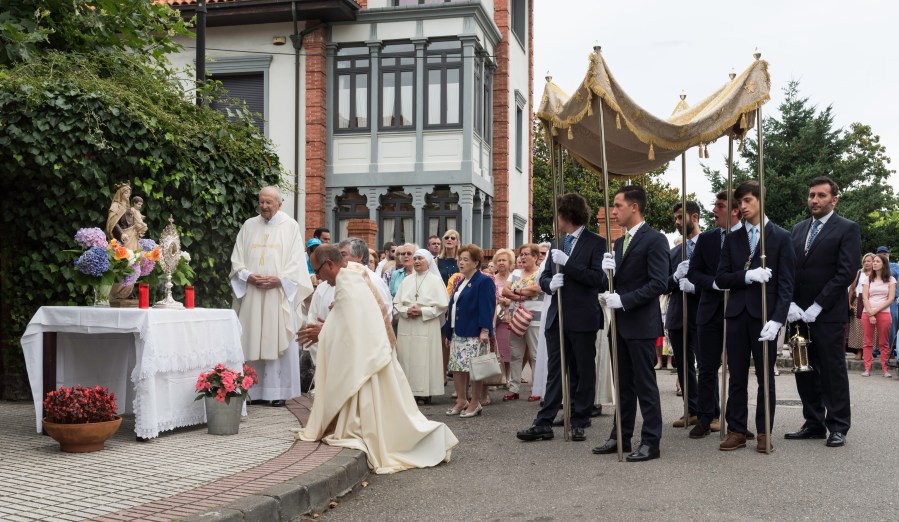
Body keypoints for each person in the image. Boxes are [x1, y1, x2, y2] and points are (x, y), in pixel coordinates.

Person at [298, 246, 458, 474]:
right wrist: (327, 328)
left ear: (329, 265)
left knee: (372, 410)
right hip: (372, 349)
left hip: (368, 356)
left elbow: (349, 328)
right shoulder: (352, 272)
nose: (318, 277)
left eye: (317, 271)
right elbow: (349, 321)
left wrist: (322, 333)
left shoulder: (348, 281)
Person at [517, 193, 606, 444]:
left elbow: (598, 280)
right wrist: (549, 284)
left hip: (583, 316)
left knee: (583, 370)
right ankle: (544, 421)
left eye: (558, 214)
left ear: (567, 215)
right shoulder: (557, 243)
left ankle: (580, 418)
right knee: (555, 371)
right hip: (557, 316)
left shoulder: (596, 243)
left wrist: (569, 265)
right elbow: (543, 277)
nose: (556, 219)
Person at [715, 180, 795, 453]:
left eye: (748, 200)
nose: (743, 207)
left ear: (761, 200)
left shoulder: (781, 237)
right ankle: (737, 429)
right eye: (739, 203)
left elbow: (786, 283)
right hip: (737, 315)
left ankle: (764, 432)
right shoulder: (733, 237)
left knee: (765, 377)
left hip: (765, 318)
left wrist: (777, 319)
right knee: (736, 375)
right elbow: (722, 276)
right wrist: (746, 276)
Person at [592, 185, 669, 462]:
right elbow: (613, 283)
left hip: (641, 324)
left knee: (644, 386)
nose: (613, 211)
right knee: (622, 385)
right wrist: (606, 274)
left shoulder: (655, 239)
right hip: (620, 325)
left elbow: (659, 283)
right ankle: (620, 436)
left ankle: (651, 442)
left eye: (617, 205)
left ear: (634, 207)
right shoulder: (618, 242)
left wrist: (624, 300)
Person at [785, 176, 861, 448]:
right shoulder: (797, 229)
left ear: (834, 200)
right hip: (797, 316)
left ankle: (838, 425)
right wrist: (790, 303)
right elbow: (790, 269)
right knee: (803, 369)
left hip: (827, 314)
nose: (814, 200)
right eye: (811, 195)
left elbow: (845, 272)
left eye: (821, 195)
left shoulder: (847, 229)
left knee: (832, 371)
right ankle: (813, 422)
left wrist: (818, 305)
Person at [230, 186, 314, 407]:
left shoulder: (290, 226)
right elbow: (236, 259)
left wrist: (280, 280)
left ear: (279, 204)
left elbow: (297, 261)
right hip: (253, 293)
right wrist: (248, 276)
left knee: (276, 339)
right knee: (250, 338)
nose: (264, 206)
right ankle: (251, 390)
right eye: (261, 202)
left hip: (279, 293)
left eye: (269, 202)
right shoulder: (249, 225)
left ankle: (277, 391)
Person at [685, 190, 741, 438]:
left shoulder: (748, 238)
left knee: (738, 369)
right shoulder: (706, 239)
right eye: (714, 205)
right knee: (706, 367)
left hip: (738, 310)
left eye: (719, 206)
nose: (714, 210)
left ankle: (737, 422)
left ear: (735, 209)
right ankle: (706, 417)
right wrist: (716, 283)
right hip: (709, 311)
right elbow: (694, 273)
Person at [443, 243, 496, 418]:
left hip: (475, 332)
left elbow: (487, 307)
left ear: (476, 262)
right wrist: (449, 332)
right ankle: (461, 399)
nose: (461, 263)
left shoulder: (484, 281)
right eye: (460, 259)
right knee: (457, 367)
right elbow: (453, 307)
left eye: (466, 259)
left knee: (475, 368)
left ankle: (475, 402)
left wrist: (485, 330)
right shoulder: (460, 281)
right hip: (458, 331)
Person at [394, 249, 450, 403]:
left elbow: (442, 306)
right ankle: (408, 392)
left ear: (429, 262)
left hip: (426, 323)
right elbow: (397, 303)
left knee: (425, 359)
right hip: (408, 323)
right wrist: (406, 310)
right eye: (415, 258)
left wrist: (422, 311)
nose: (417, 261)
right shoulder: (406, 280)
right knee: (407, 358)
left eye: (421, 259)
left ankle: (425, 393)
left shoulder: (436, 281)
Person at [665, 201, 701, 430]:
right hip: (678, 314)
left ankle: (712, 412)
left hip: (702, 314)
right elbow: (663, 284)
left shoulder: (710, 245)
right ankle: (692, 409)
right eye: (676, 218)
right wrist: (676, 278)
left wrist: (696, 286)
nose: (677, 222)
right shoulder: (675, 252)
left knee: (705, 365)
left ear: (694, 217)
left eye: (681, 217)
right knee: (684, 366)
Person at [503, 243, 544, 401]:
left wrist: (515, 291)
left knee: (535, 355)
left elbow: (537, 289)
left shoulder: (541, 273)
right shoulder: (515, 272)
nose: (523, 257)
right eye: (521, 254)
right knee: (515, 354)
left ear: (535, 257)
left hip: (535, 319)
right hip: (516, 318)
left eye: (527, 254)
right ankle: (514, 388)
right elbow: (504, 291)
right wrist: (523, 294)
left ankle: (536, 389)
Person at [338, 237, 393, 323]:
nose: (339, 259)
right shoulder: (344, 278)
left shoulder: (373, 281)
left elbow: (384, 313)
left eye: (343, 255)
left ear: (359, 256)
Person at [861, 253, 896, 378]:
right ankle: (867, 368)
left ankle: (885, 370)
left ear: (883, 264)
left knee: (884, 343)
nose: (874, 263)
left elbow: (891, 299)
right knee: (867, 342)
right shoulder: (867, 279)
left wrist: (874, 312)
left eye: (877, 261)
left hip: (884, 312)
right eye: (873, 261)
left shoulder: (891, 279)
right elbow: (865, 297)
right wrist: (870, 313)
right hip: (867, 312)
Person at [492, 248, 516, 385]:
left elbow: (519, 296)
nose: (501, 263)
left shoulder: (514, 278)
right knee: (498, 349)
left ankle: (509, 378)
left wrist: (508, 301)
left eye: (504, 260)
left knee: (509, 349)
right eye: (499, 260)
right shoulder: (492, 279)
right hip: (497, 319)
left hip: (511, 317)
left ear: (510, 263)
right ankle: (499, 378)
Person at [847, 253, 876, 358]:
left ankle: (868, 352)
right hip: (859, 301)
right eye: (865, 261)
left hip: (873, 301)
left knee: (872, 327)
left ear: (874, 262)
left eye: (869, 261)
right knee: (858, 327)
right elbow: (852, 288)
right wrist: (849, 303)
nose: (866, 263)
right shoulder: (859, 273)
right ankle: (859, 351)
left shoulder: (878, 274)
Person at [874, 246, 899, 356]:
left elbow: (891, 274)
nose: (884, 256)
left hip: (891, 300)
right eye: (881, 254)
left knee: (891, 323)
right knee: (875, 324)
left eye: (886, 254)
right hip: (875, 299)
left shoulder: (894, 266)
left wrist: (881, 265)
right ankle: (878, 348)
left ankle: (889, 349)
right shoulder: (874, 266)